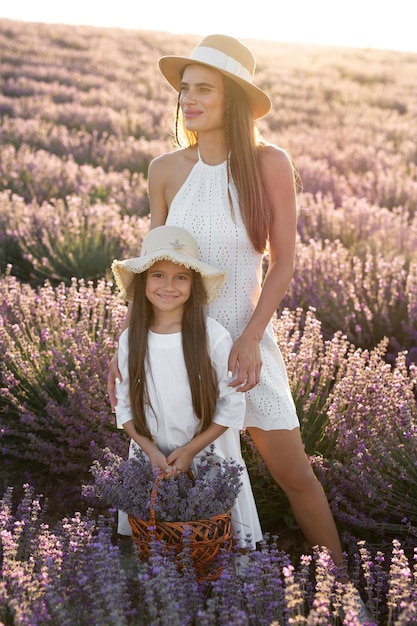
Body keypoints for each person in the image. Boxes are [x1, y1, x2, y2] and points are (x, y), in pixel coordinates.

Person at [108, 34, 345, 568]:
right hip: (171, 349)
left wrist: (252, 337)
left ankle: (342, 588)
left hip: (244, 348)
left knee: (295, 474)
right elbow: (152, 271)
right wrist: (126, 350)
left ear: (233, 97)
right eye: (184, 89)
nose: (188, 100)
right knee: (173, 478)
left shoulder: (269, 164)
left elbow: (283, 262)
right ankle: (180, 590)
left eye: (204, 89)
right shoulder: (165, 170)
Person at [111, 224, 262, 548]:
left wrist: (191, 450)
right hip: (152, 457)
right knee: (158, 541)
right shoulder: (131, 340)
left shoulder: (213, 336)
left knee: (218, 541)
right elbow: (123, 405)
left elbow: (232, 405)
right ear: (143, 281)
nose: (169, 285)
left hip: (209, 454)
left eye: (181, 277)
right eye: (158, 275)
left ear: (194, 285)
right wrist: (150, 450)